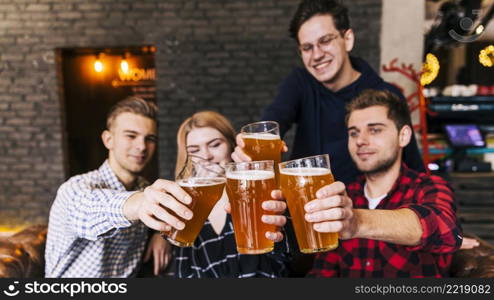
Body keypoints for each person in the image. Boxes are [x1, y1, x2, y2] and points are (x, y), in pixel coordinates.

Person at [232, 0, 424, 185]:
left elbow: (413, 166)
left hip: (362, 211)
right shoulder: (300, 83)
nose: (317, 55)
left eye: (325, 41)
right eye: (307, 48)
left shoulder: (384, 95)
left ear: (347, 39)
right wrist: (248, 147)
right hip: (304, 206)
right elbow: (274, 120)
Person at [297, 89, 462, 277]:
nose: (360, 140)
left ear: (403, 136)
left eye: (375, 130)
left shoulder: (428, 187)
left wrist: (357, 222)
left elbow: (447, 231)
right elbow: (323, 273)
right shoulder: (344, 198)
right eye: (353, 133)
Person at [170, 111, 290, 278]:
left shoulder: (258, 192)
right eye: (194, 150)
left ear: (232, 146)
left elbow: (286, 258)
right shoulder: (184, 209)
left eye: (215, 144)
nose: (206, 156)